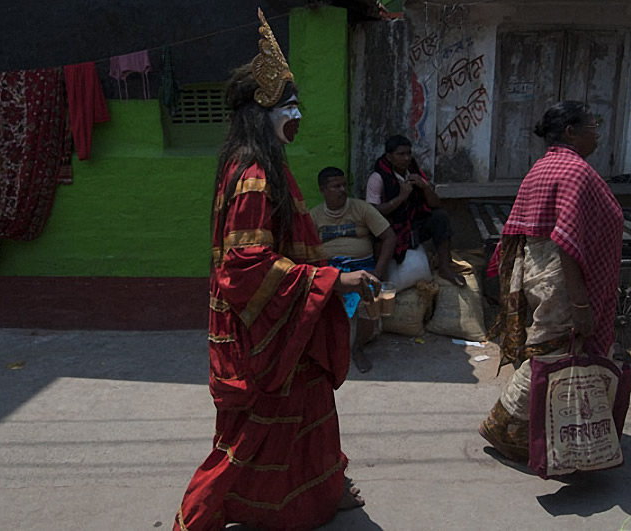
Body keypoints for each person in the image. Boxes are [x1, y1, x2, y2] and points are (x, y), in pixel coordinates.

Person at [174, 10, 378, 530]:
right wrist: (332, 280)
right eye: (288, 105)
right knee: (254, 435)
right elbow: (245, 270)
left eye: (297, 104)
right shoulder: (254, 174)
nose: (298, 115)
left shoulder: (259, 164)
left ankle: (322, 490)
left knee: (307, 415)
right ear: (259, 112)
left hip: (289, 325)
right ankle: (204, 512)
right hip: (265, 333)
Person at [478, 101, 624, 463]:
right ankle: (504, 428)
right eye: (592, 125)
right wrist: (580, 304)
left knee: (554, 355)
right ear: (571, 132)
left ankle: (552, 431)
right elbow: (567, 243)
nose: (597, 132)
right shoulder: (573, 171)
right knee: (551, 357)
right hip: (561, 282)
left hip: (539, 275)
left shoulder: (543, 167)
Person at [310, 166, 396, 373]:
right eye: (335, 186)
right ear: (323, 190)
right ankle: (325, 351)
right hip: (330, 270)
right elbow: (305, 248)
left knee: (369, 305)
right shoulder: (314, 215)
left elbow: (389, 237)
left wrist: (378, 270)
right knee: (315, 306)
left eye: (343, 185)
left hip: (362, 268)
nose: (341, 190)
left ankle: (357, 348)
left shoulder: (362, 209)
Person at [366, 135, 466, 287]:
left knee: (440, 217)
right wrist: (401, 197)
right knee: (383, 237)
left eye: (408, 153)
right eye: (401, 154)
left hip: (413, 223)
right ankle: (380, 279)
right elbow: (372, 212)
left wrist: (424, 186)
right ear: (389, 157)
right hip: (391, 226)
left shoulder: (414, 172)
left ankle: (445, 267)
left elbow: (435, 204)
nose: (406, 158)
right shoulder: (378, 177)